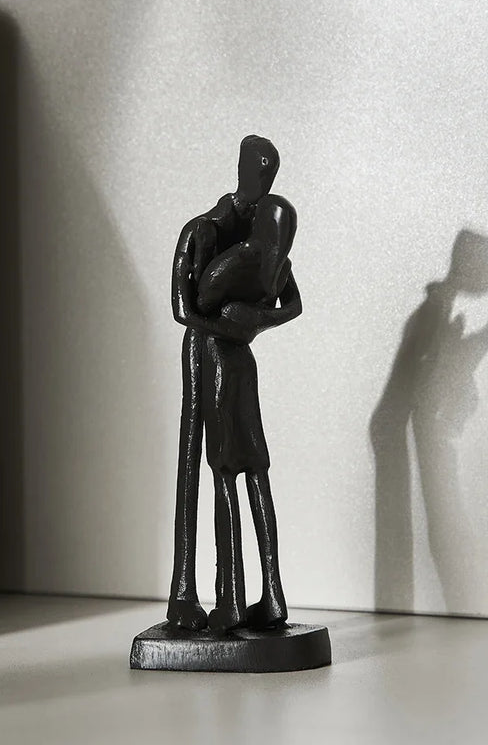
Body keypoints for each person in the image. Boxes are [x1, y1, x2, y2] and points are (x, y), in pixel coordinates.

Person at [167, 135, 302, 633]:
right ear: (243, 170)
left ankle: (240, 597)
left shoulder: (266, 243)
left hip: (232, 358)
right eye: (260, 171)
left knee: (235, 468)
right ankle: (195, 594)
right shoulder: (203, 230)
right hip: (208, 354)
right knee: (215, 464)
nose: (264, 181)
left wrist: (252, 322)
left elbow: (291, 305)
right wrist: (236, 325)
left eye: (271, 174)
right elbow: (182, 309)